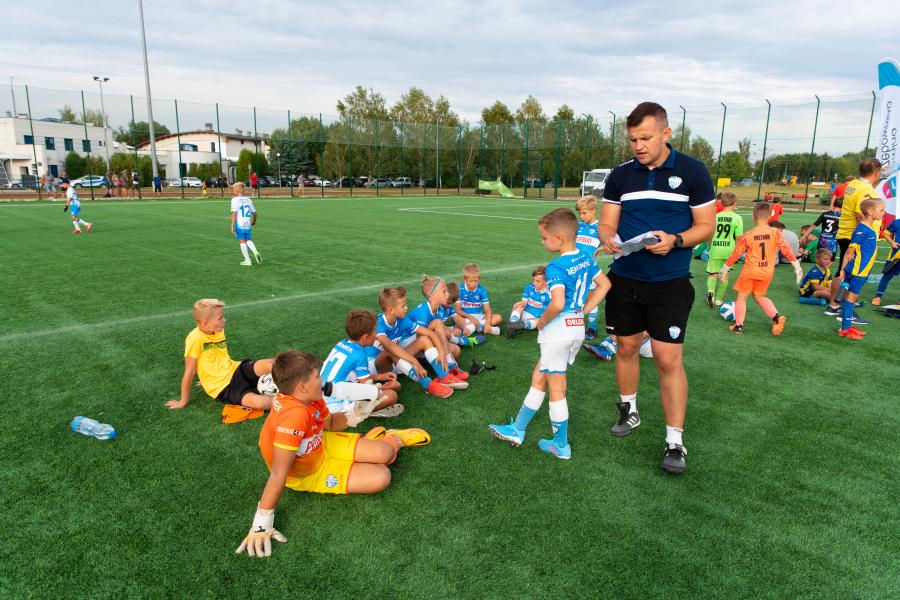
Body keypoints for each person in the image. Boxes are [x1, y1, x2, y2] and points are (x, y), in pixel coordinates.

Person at [597, 101, 716, 474]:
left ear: (666, 133)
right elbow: (606, 223)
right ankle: (629, 410)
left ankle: (674, 441)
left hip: (670, 283)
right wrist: (609, 238)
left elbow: (706, 226)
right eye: (633, 139)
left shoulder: (693, 171)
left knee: (667, 359)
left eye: (645, 138)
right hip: (625, 278)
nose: (638, 146)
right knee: (626, 347)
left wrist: (676, 240)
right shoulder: (621, 175)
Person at [235, 349, 430, 558]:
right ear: (302, 386)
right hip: (309, 474)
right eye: (317, 376)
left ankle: (391, 438)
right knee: (382, 476)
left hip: (322, 444)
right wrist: (262, 523)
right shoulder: (293, 417)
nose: (322, 379)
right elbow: (278, 473)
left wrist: (357, 414)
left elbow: (328, 423)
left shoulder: (310, 396)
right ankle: (375, 441)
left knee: (387, 453)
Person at [488, 208, 611, 459]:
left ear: (559, 239)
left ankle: (560, 444)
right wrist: (583, 310)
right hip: (575, 329)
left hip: (558, 332)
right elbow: (605, 285)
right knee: (539, 376)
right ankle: (518, 428)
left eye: (544, 238)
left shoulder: (555, 267)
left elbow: (557, 303)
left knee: (557, 388)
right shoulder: (586, 257)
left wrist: (540, 322)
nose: (542, 242)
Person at [166, 298, 274, 411]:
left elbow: (214, 357)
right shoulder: (195, 338)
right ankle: (285, 401)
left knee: (272, 364)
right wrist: (183, 401)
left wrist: (205, 378)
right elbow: (190, 371)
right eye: (220, 318)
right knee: (261, 404)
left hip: (236, 369)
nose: (224, 320)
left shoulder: (218, 330)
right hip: (224, 387)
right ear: (205, 323)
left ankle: (285, 378)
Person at [718, 203, 803, 335]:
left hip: (750, 271)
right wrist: (796, 266)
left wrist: (724, 269)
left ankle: (738, 326)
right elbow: (786, 249)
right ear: (769, 216)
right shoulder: (775, 232)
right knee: (759, 296)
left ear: (753, 217)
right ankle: (776, 317)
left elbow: (736, 254)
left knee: (741, 298)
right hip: (767, 271)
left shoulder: (748, 235)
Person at [372, 287, 457, 397]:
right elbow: (390, 347)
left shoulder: (401, 320)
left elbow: (429, 333)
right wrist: (414, 361)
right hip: (380, 368)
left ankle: (443, 376)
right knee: (390, 349)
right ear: (391, 310)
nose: (406, 308)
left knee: (424, 339)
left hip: (399, 362)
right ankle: (427, 384)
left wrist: (441, 351)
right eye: (402, 306)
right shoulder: (378, 323)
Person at [320, 309, 403, 421]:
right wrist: (381, 388)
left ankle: (365, 408)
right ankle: (365, 412)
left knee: (390, 387)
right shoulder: (359, 354)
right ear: (365, 337)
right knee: (392, 395)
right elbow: (367, 388)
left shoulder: (341, 344)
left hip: (322, 396)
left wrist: (380, 377)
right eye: (375, 331)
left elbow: (354, 376)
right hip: (337, 406)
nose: (377, 334)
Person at [406, 275, 470, 383]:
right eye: (444, 291)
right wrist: (442, 349)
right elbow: (420, 339)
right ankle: (447, 369)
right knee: (437, 323)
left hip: (424, 344)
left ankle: (438, 360)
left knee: (456, 350)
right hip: (410, 346)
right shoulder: (423, 311)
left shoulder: (438, 308)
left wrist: (445, 350)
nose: (448, 294)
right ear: (432, 296)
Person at [836, 198, 884, 339]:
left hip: (862, 270)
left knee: (851, 298)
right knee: (851, 298)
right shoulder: (863, 230)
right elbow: (849, 251)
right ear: (870, 211)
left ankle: (846, 326)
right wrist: (842, 270)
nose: (883, 212)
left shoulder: (868, 228)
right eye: (881, 210)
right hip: (857, 271)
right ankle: (844, 329)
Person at [836, 159, 883, 270]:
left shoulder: (854, 183)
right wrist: (859, 239)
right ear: (876, 172)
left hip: (846, 233)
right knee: (850, 273)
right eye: (880, 171)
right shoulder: (865, 189)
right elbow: (861, 215)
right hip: (856, 236)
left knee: (843, 271)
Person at [705, 191, 743, 307]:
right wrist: (738, 252)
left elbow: (709, 235)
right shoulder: (737, 218)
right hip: (729, 251)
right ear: (735, 203)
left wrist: (710, 246)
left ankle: (710, 295)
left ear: (721, 203)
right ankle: (719, 299)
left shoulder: (715, 217)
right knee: (724, 274)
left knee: (712, 274)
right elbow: (739, 238)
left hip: (716, 248)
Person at [575, 195, 601, 339]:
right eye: (580, 213)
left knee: (590, 298)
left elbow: (612, 243)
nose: (581, 216)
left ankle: (592, 328)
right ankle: (576, 325)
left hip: (589, 270)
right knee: (575, 296)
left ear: (594, 210)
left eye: (584, 212)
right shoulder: (579, 226)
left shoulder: (600, 228)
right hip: (575, 268)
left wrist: (599, 249)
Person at [456, 263, 502, 336]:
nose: (473, 284)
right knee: (455, 318)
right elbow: (458, 310)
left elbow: (487, 310)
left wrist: (487, 324)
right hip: (465, 317)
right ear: (464, 279)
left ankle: (471, 328)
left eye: (476, 281)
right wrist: (471, 317)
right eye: (471, 281)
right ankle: (481, 327)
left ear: (479, 278)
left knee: (498, 318)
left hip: (479, 317)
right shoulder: (460, 289)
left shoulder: (482, 290)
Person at [506, 265, 551, 338]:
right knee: (518, 306)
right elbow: (524, 302)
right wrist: (520, 303)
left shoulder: (550, 294)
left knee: (540, 321)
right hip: (523, 315)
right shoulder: (529, 287)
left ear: (546, 282)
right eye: (533, 280)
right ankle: (512, 324)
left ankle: (520, 325)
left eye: (538, 281)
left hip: (534, 318)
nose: (534, 283)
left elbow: (551, 309)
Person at [231, 182, 262, 266]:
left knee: (242, 241)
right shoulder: (248, 199)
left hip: (239, 223)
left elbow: (234, 213)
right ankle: (255, 251)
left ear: (237, 191)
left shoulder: (234, 200)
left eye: (233, 190)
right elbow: (255, 213)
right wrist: (254, 221)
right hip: (247, 223)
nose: (233, 191)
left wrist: (232, 225)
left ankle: (247, 260)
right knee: (248, 239)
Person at [872, 217, 900, 306]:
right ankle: (878, 296)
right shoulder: (897, 222)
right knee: (887, 275)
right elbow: (884, 233)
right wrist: (892, 242)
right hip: (895, 255)